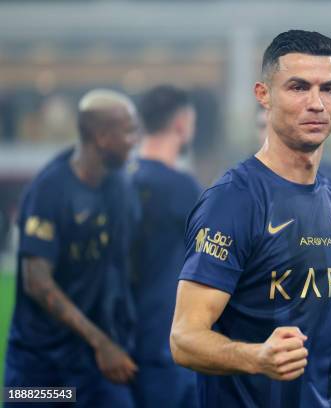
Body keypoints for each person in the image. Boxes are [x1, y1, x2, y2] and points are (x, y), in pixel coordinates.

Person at [170, 30, 331, 407]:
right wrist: (256, 358)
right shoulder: (233, 201)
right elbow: (184, 338)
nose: (316, 103)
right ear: (263, 95)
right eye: (298, 87)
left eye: (328, 89)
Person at [4, 89, 140, 407]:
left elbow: (120, 263)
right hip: (39, 367)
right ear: (102, 137)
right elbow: (36, 282)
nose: (135, 140)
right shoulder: (49, 191)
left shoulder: (119, 187)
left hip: (92, 364)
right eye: (129, 131)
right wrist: (101, 341)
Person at [128, 85, 201, 407]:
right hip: (165, 341)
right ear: (182, 125)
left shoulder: (118, 182)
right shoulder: (183, 189)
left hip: (117, 341)